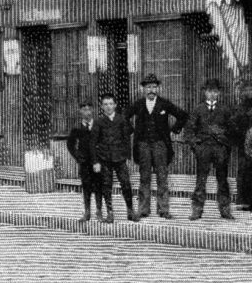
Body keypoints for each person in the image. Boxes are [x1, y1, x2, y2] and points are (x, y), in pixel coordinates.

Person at [127, 74, 188, 220]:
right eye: (148, 87)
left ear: (158, 88)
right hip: (143, 145)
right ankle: (143, 210)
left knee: (162, 177)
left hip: (160, 145)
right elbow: (123, 117)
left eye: (154, 87)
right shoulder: (138, 104)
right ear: (143, 88)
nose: (151, 90)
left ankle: (163, 209)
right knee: (144, 177)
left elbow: (183, 116)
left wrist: (173, 130)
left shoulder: (164, 104)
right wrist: (132, 131)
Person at [185, 79, 234, 221]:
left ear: (218, 93)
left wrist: (225, 145)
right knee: (200, 180)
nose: (211, 94)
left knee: (223, 180)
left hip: (220, 149)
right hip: (204, 149)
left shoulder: (225, 110)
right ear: (204, 92)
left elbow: (232, 130)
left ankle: (225, 210)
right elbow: (189, 131)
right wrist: (196, 146)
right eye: (208, 91)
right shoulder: (198, 109)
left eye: (214, 91)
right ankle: (197, 210)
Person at [91, 93, 136, 224]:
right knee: (107, 186)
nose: (108, 107)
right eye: (105, 104)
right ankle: (110, 213)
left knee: (126, 184)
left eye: (111, 104)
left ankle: (130, 211)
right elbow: (92, 143)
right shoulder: (98, 122)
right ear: (102, 107)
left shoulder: (122, 120)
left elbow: (128, 134)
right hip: (104, 159)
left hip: (120, 158)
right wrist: (95, 162)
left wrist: (127, 154)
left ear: (115, 105)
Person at [66, 101, 103, 222]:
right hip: (84, 163)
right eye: (84, 110)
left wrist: (101, 157)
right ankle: (87, 212)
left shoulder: (98, 125)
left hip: (97, 162)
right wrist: (78, 156)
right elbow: (70, 145)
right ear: (80, 112)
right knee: (86, 187)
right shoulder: (77, 128)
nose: (87, 112)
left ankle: (99, 211)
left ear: (92, 111)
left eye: (89, 109)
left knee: (98, 186)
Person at [231, 77, 252, 210]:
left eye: (251, 89)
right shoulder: (239, 107)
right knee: (243, 171)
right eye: (246, 90)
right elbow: (233, 123)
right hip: (243, 144)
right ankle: (242, 200)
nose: (248, 92)